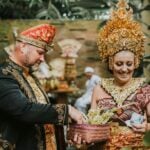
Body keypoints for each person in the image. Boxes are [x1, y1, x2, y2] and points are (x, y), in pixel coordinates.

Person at [0, 24, 85, 150]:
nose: (43, 59)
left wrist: (69, 122)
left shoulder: (29, 75)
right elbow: (24, 110)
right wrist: (68, 110)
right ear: (23, 47)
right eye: (39, 53)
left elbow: (42, 110)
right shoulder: (4, 74)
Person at [87, 0, 150, 149]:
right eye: (119, 64)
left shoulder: (145, 89)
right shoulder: (98, 88)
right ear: (110, 64)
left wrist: (147, 127)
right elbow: (91, 123)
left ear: (135, 63)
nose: (124, 69)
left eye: (129, 64)